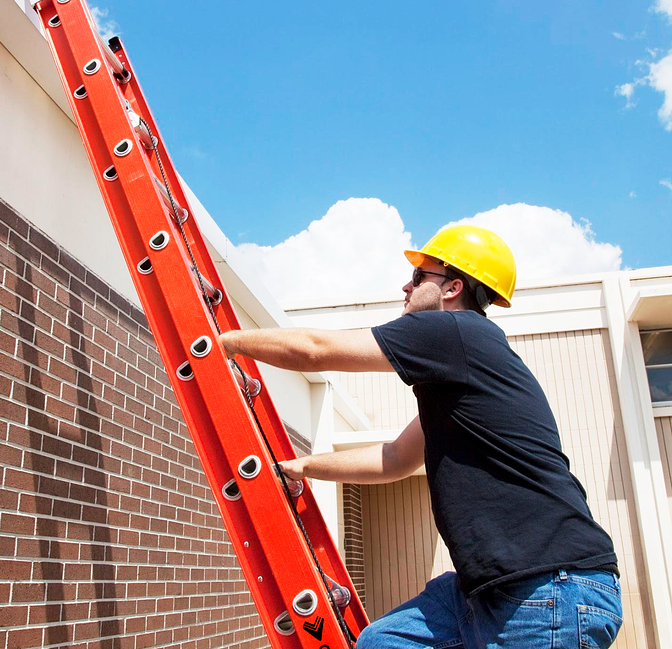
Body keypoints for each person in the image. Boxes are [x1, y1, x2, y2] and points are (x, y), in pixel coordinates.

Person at [219, 224, 622, 649]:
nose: (406, 286)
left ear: (452, 287)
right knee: (379, 642)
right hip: (484, 591)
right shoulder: (461, 371)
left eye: (418, 277)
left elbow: (315, 349)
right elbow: (395, 458)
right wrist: (305, 466)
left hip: (546, 589)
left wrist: (225, 341)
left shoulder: (455, 331)